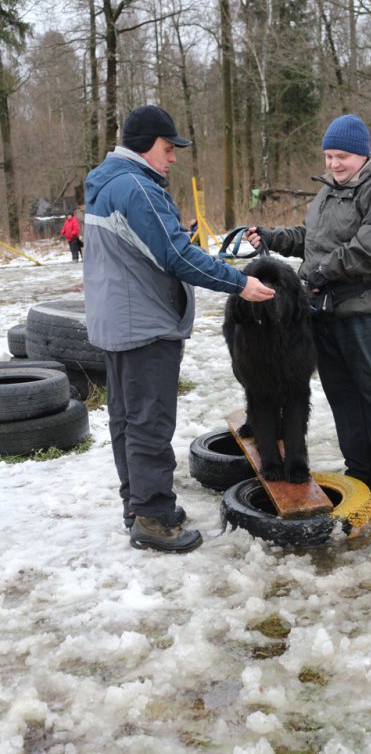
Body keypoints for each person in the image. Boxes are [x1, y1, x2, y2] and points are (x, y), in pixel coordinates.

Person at [83, 105, 275, 553]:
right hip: (144, 323)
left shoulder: (106, 181)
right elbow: (178, 257)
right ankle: (152, 518)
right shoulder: (137, 187)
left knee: (127, 419)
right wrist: (241, 283)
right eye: (167, 149)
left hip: (118, 322)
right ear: (143, 145)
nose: (172, 159)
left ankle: (140, 503)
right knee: (149, 421)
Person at [245, 114, 371, 512]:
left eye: (342, 156)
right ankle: (360, 469)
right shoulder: (327, 192)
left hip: (367, 313)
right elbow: (312, 240)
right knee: (342, 396)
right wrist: (274, 237)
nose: (334, 164)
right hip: (323, 314)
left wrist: (323, 271)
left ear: (363, 154)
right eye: (328, 156)